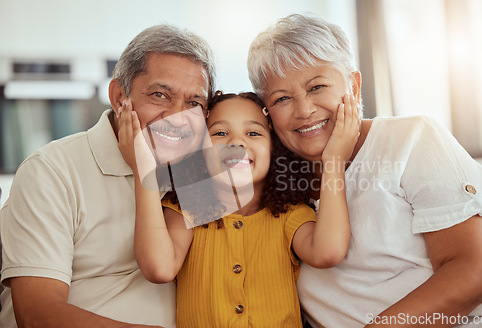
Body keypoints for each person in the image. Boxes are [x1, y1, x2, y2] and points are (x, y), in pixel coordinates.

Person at [247, 13, 482, 328]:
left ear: (353, 85)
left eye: (317, 87)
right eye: (282, 98)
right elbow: (185, 188)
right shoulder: (269, 175)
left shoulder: (411, 137)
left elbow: (475, 275)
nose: (304, 110)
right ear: (267, 112)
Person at [0, 24, 216, 328]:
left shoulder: (198, 174)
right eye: (160, 95)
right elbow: (36, 315)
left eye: (194, 103)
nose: (178, 118)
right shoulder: (51, 171)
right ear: (118, 97)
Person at [117, 90, 360, 327]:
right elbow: (159, 269)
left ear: (274, 149)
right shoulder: (186, 209)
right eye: (220, 133)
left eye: (253, 133)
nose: (236, 142)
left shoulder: (290, 214)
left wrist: (334, 160)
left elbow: (328, 252)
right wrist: (143, 171)